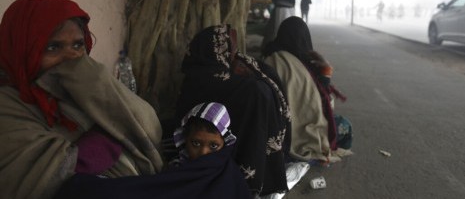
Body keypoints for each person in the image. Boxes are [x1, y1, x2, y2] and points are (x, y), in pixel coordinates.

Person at [0, 0, 164, 199]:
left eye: (78, 45)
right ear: (22, 50)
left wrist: (99, 85)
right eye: (53, 47)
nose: (72, 58)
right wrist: (109, 137)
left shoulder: (86, 86)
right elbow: (42, 176)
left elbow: (147, 127)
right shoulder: (8, 105)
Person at [175, 24, 291, 196]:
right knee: (257, 92)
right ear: (217, 50)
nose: (236, 56)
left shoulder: (220, 73)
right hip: (226, 159)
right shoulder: (208, 80)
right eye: (231, 52)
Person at [56, 102, 253, 199]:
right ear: (184, 140)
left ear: (224, 144)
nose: (203, 153)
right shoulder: (178, 166)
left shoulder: (229, 176)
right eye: (196, 144)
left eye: (213, 146)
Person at [262, 16, 352, 163]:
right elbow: (325, 105)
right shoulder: (306, 64)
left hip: (274, 135)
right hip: (304, 136)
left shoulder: (269, 59)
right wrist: (326, 75)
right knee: (345, 126)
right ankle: (317, 154)